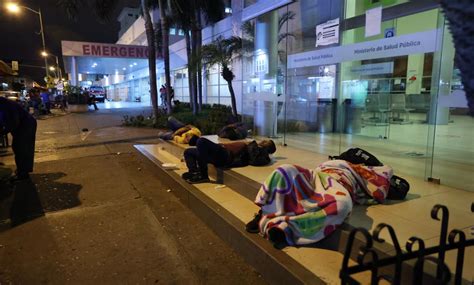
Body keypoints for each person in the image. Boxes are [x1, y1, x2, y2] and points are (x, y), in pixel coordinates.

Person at [245, 160, 392, 249]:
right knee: (285, 169)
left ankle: (287, 228)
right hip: (317, 176)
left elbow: (382, 178)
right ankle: (264, 212)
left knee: (342, 205)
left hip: (338, 186)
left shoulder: (361, 169)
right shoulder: (335, 161)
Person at [182, 137, 276, 184]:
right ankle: (194, 172)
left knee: (201, 141)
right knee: (188, 152)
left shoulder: (259, 152)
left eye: (265, 141)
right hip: (220, 151)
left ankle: (203, 175)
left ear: (266, 147)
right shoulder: (253, 146)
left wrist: (254, 145)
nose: (262, 140)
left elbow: (254, 160)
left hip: (225, 156)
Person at [0, 97, 37, 181]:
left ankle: (23, 173)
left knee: (22, 148)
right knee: (18, 147)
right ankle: (22, 169)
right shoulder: (4, 105)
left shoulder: (8, 106)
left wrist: (4, 131)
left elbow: (14, 122)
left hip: (26, 125)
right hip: (22, 125)